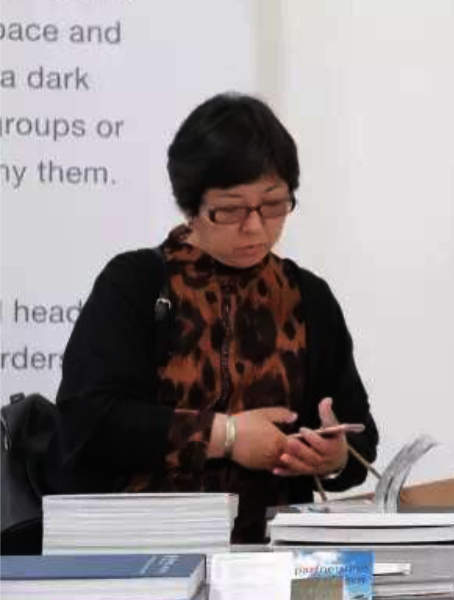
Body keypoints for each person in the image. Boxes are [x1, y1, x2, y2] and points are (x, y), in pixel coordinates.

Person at [46, 93, 378, 543]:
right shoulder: (136, 284)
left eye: (273, 204)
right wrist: (226, 435)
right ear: (192, 205)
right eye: (231, 209)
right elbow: (88, 423)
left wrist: (334, 456)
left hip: (276, 559)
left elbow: (360, 436)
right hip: (143, 555)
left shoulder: (308, 297)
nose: (255, 227)